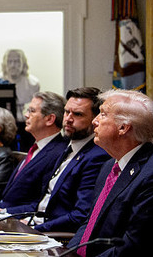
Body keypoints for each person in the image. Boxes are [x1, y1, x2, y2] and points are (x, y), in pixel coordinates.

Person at [68, 90, 153, 256]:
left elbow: (134, 247)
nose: (94, 121)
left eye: (103, 114)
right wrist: (68, 253)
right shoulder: (109, 166)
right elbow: (90, 223)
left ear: (123, 127)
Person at [6, 87, 109, 233]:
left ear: (95, 119)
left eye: (77, 114)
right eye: (67, 112)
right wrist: (4, 213)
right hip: (35, 222)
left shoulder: (96, 156)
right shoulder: (68, 148)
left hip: (55, 234)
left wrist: (36, 228)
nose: (68, 119)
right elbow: (44, 203)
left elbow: (80, 215)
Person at [0, 91, 68, 209]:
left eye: (32, 111)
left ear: (50, 119)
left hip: (21, 217)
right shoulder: (35, 148)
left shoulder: (59, 152)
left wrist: (4, 212)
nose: (26, 115)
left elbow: (42, 200)